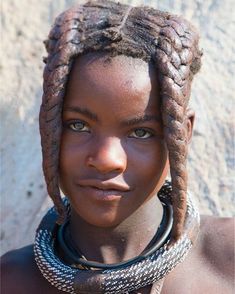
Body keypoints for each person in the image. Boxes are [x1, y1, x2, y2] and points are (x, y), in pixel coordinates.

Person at [1, 0, 234, 293]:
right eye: (78, 125)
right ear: (47, 126)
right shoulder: (11, 281)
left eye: (140, 131)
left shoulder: (227, 262)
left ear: (183, 134)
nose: (106, 159)